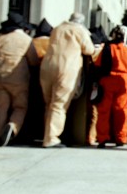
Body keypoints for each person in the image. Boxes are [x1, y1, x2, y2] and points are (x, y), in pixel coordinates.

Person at [39, 12, 95, 148]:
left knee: (49, 103)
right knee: (59, 104)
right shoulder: (79, 31)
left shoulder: (57, 28)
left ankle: (46, 134)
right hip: (67, 67)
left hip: (47, 67)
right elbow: (89, 49)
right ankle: (51, 138)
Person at [0, 12, 40, 147]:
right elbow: (33, 60)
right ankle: (12, 126)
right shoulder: (25, 39)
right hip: (18, 78)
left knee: (0, 108)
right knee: (20, 107)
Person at [94, 25, 127, 148]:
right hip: (123, 81)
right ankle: (120, 138)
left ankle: (102, 138)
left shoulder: (107, 49)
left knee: (104, 111)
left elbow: (98, 65)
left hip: (107, 80)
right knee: (121, 110)